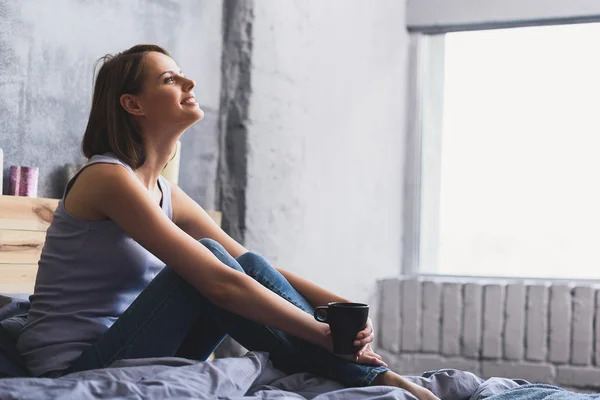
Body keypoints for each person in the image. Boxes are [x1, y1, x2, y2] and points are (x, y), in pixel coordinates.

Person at [16, 44, 438, 400]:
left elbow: (250, 266)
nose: (189, 84)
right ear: (133, 104)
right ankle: (376, 381)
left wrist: (344, 311)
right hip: (76, 367)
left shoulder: (164, 192)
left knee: (241, 263)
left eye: (182, 76)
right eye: (170, 79)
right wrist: (322, 334)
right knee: (207, 263)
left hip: (140, 347)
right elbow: (220, 283)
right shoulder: (107, 179)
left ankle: (366, 379)